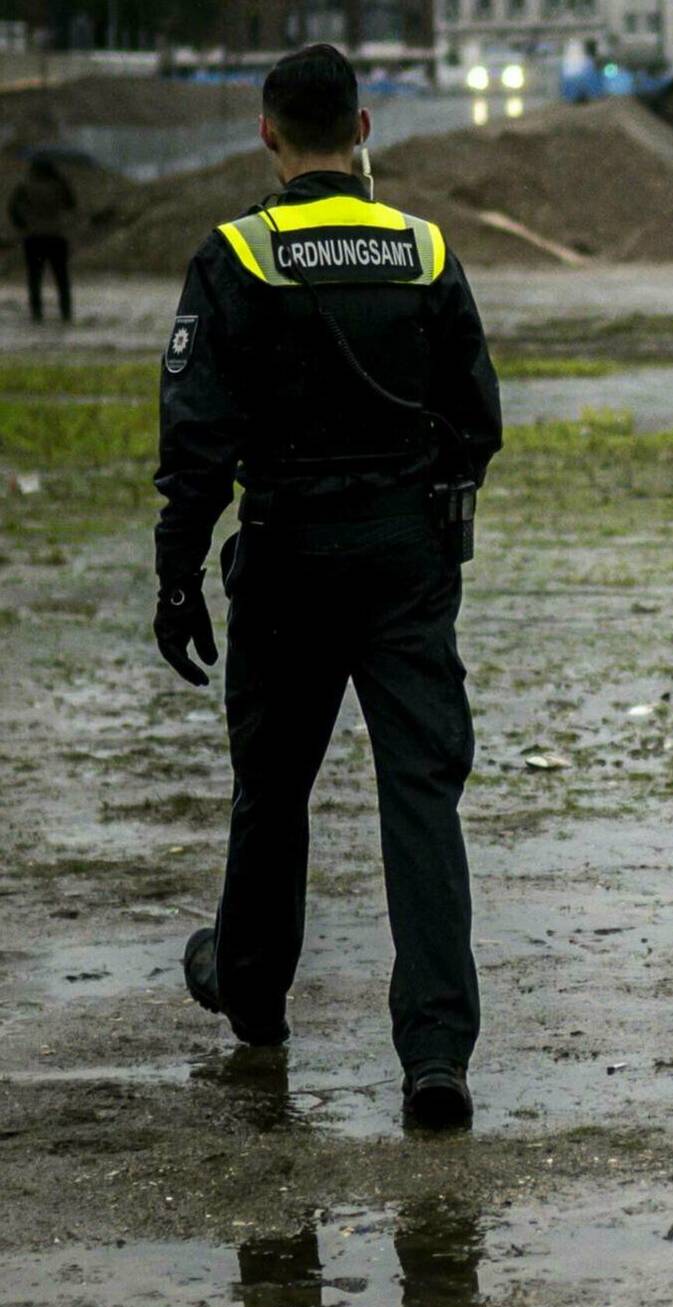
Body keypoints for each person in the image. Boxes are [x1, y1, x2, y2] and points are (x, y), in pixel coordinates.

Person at [152, 44, 502, 1128]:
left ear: (268, 133)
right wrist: (429, 502)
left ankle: (252, 989)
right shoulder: (424, 248)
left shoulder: (237, 256)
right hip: (405, 559)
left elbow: (197, 437)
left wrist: (177, 575)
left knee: (274, 786)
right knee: (420, 799)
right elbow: (477, 420)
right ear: (362, 129)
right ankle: (435, 1053)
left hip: (289, 555)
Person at [8, 156, 77, 323]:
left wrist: (23, 225)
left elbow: (12, 208)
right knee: (62, 279)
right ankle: (66, 314)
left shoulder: (24, 186)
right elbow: (71, 204)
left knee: (34, 279)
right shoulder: (59, 186)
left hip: (34, 238)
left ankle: (36, 314)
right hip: (56, 236)